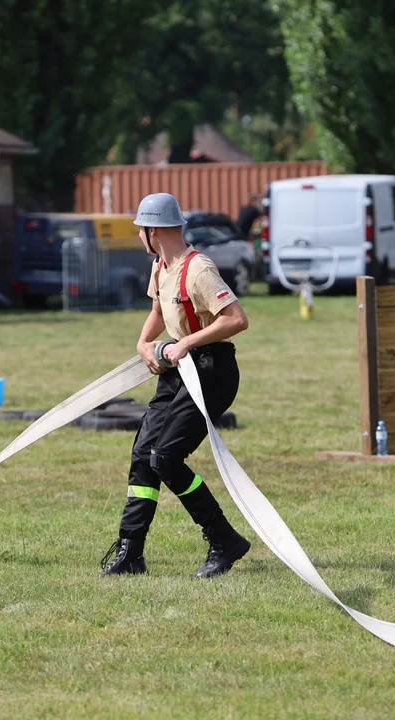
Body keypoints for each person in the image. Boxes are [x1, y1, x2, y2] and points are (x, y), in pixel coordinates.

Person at [101, 192, 252, 579]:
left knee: (166, 458)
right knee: (143, 455)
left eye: (140, 230)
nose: (138, 236)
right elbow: (157, 311)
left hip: (211, 370)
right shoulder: (159, 266)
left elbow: (236, 319)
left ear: (154, 230)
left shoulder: (198, 268)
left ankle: (224, 541)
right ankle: (130, 551)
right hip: (178, 370)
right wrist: (142, 344)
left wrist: (184, 342)